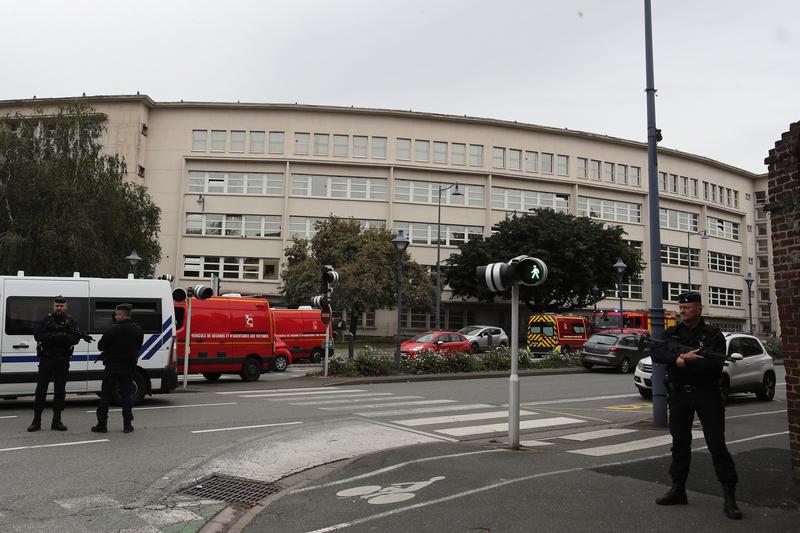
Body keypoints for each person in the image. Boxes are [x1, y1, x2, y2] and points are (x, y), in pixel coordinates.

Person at [650, 291, 742, 520]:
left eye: (688, 307)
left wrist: (686, 362)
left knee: (716, 445)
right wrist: (679, 360)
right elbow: (656, 352)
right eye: (681, 308)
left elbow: (714, 365)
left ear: (699, 309)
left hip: (706, 394)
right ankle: (678, 488)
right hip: (680, 394)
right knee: (680, 443)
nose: (683, 311)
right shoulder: (673, 332)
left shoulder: (712, 334)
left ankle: (730, 495)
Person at [28, 296, 82, 432]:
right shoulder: (45, 320)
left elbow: (75, 339)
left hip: (62, 359)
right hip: (46, 358)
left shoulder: (71, 321)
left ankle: (57, 421)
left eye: (61, 306)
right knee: (41, 389)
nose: (59, 308)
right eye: (57, 306)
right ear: (53, 306)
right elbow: (38, 335)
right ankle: (36, 421)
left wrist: (63, 336)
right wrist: (55, 336)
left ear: (66, 307)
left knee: (60, 390)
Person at [91, 303, 143, 434]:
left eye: (116, 314)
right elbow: (138, 346)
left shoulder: (112, 330)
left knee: (106, 396)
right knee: (126, 396)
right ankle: (127, 425)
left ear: (121, 315)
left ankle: (102, 425)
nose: (115, 316)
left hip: (112, 367)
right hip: (128, 368)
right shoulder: (137, 330)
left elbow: (101, 346)